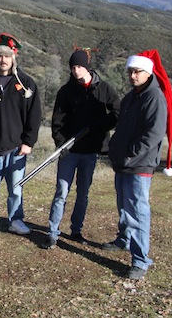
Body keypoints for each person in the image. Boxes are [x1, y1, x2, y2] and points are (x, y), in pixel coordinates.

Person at [102, 49, 172, 280]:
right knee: (124, 207)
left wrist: (130, 154)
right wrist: (115, 148)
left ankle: (141, 260)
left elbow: (154, 133)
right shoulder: (131, 97)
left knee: (138, 211)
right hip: (123, 162)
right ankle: (123, 240)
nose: (133, 76)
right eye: (130, 72)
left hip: (139, 164)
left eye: (137, 72)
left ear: (148, 72)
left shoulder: (154, 97)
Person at [40, 49, 120, 249]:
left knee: (83, 193)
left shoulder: (104, 89)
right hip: (69, 151)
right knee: (61, 191)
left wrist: (100, 125)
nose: (76, 71)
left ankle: (76, 230)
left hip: (90, 151)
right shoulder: (65, 92)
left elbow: (118, 111)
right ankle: (52, 232)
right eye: (73, 67)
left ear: (87, 67)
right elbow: (57, 121)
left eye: (79, 66)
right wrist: (61, 143)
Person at [0, 33, 42, 235]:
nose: (3, 60)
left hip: (16, 147)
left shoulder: (26, 84)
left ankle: (16, 220)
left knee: (16, 188)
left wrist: (28, 142)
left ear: (14, 56)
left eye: (6, 55)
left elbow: (34, 115)